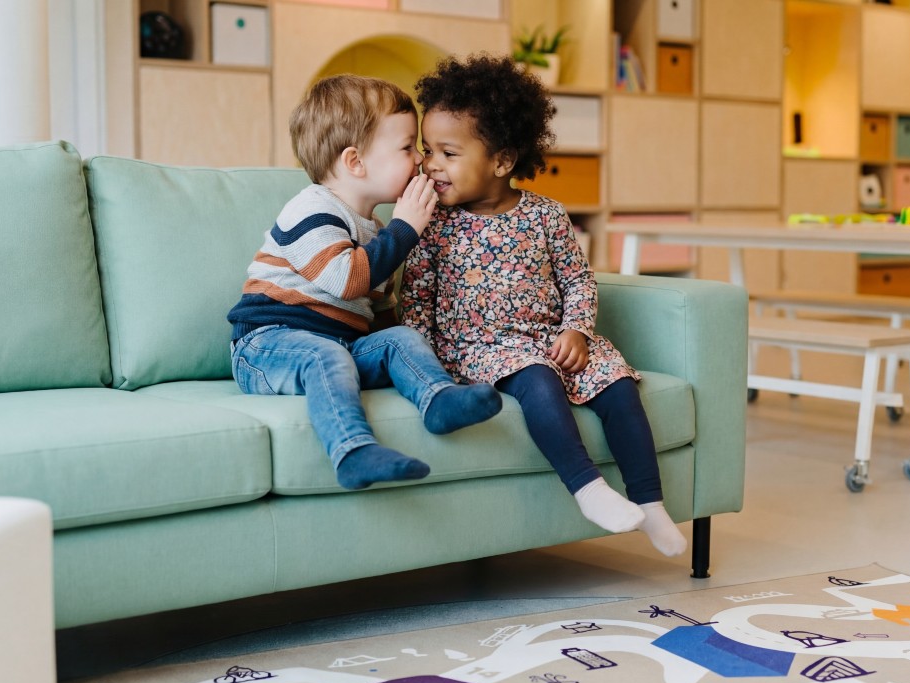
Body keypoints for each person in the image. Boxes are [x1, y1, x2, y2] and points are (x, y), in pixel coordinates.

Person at [402, 54, 686, 557]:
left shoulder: (547, 215)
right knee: (537, 377)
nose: (430, 164)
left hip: (550, 338)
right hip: (478, 348)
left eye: (448, 153)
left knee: (617, 380)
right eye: (428, 150)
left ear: (502, 160)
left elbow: (578, 280)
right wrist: (427, 369)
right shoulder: (433, 223)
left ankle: (651, 501)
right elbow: (417, 300)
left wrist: (577, 330)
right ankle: (589, 490)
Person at [226, 74, 501, 491]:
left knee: (402, 338)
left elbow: (378, 308)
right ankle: (353, 452)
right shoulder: (311, 209)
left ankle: (439, 400)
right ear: (355, 162)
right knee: (324, 357)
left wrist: (407, 345)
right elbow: (346, 280)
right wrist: (406, 228)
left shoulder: (374, 229)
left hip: (340, 343)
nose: (420, 162)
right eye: (408, 148)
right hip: (268, 345)